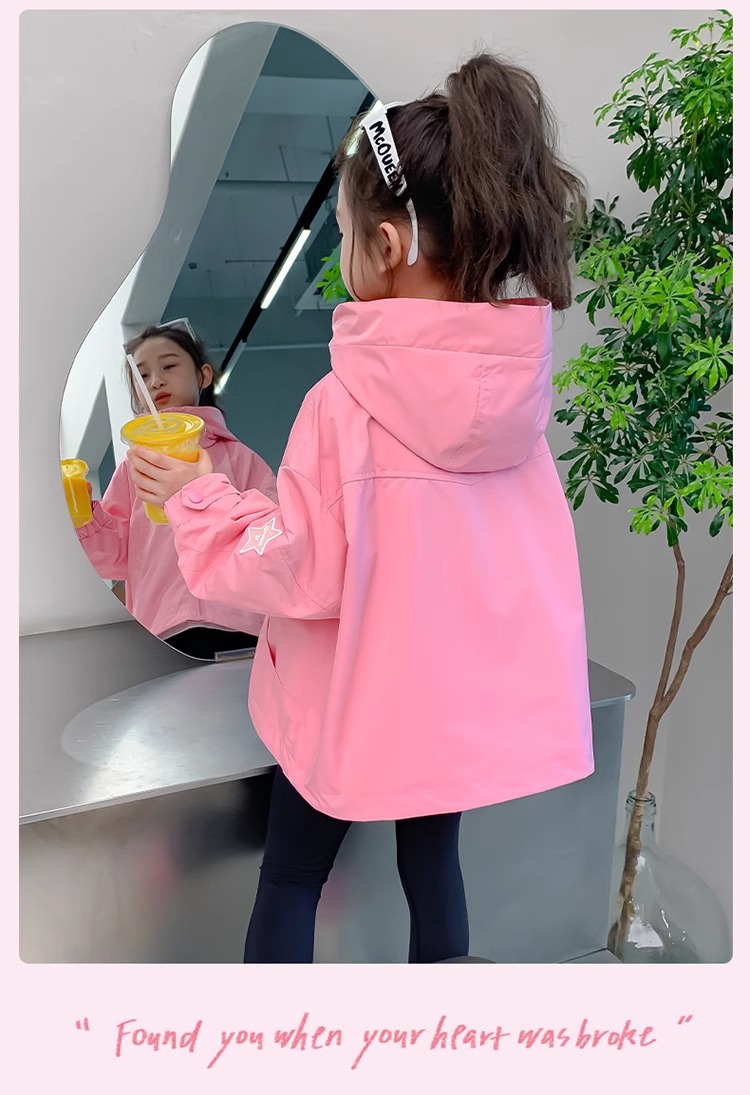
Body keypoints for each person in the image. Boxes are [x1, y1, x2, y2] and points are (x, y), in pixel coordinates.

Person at [127, 53, 595, 963]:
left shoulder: (344, 405)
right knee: (435, 867)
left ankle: (278, 1038)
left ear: (387, 244)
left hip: (354, 700)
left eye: (342, 232)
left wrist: (198, 497)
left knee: (292, 875)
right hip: (452, 707)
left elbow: (296, 568)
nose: (339, 253)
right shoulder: (517, 397)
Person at [74, 319, 277, 657]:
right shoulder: (134, 467)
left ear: (203, 375)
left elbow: (269, 534)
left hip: (242, 624)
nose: (156, 380)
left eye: (169, 365)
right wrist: (85, 517)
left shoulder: (239, 457)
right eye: (142, 375)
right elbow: (116, 557)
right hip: (164, 629)